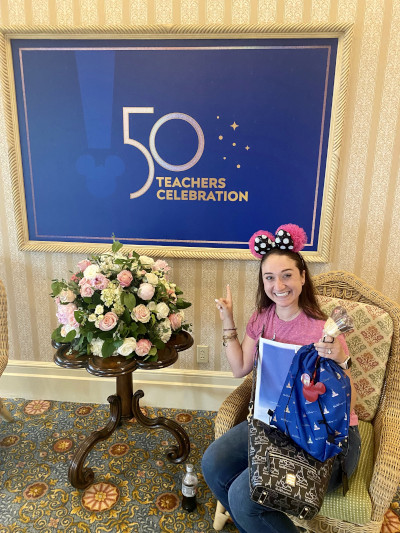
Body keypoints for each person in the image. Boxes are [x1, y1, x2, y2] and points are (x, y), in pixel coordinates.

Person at [202, 224, 361, 533]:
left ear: (302, 277)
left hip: (322, 433)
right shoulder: (263, 318)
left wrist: (340, 360)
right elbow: (239, 369)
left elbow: (347, 398)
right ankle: (258, 524)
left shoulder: (321, 329)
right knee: (213, 463)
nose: (279, 285)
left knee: (242, 496)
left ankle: (255, 520)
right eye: (270, 277)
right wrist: (228, 321)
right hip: (273, 422)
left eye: (287, 275)